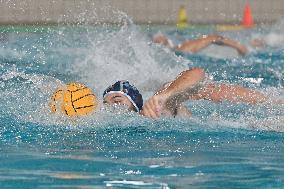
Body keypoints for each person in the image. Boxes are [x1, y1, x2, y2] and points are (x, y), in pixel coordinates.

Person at [103, 68, 270, 119]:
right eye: (107, 103)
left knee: (207, 90)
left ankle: (273, 101)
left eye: (117, 100)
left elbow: (197, 73)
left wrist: (165, 95)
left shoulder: (155, 109)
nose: (112, 106)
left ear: (134, 103)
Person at [152, 32, 248, 56]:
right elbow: (213, 38)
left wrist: (238, 46)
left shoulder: (182, 48)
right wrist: (238, 46)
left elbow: (213, 38)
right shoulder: (181, 49)